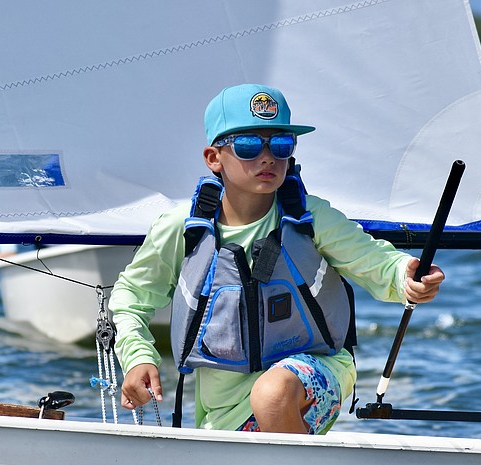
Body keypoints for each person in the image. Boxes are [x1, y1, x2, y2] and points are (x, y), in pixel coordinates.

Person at [109, 84, 444, 434]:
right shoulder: (182, 228)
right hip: (224, 410)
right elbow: (131, 298)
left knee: (272, 393)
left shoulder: (311, 217)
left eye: (281, 145)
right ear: (213, 158)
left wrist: (407, 275)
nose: (268, 157)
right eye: (249, 146)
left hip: (317, 372)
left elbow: (375, 261)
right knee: (254, 423)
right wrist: (138, 358)